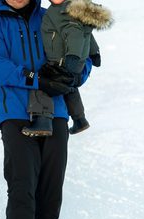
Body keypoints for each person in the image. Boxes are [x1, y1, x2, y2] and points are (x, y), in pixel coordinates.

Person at [0, 0, 92, 219]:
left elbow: (84, 50)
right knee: (22, 191)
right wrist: (35, 79)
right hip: (15, 115)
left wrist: (72, 75)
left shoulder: (53, 16)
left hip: (56, 114)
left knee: (50, 198)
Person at [21, 0, 113, 137]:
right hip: (76, 63)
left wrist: (73, 56)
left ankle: (43, 122)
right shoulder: (77, 9)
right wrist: (94, 53)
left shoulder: (63, 11)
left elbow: (74, 33)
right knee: (69, 86)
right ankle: (80, 119)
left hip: (63, 60)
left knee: (41, 84)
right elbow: (86, 33)